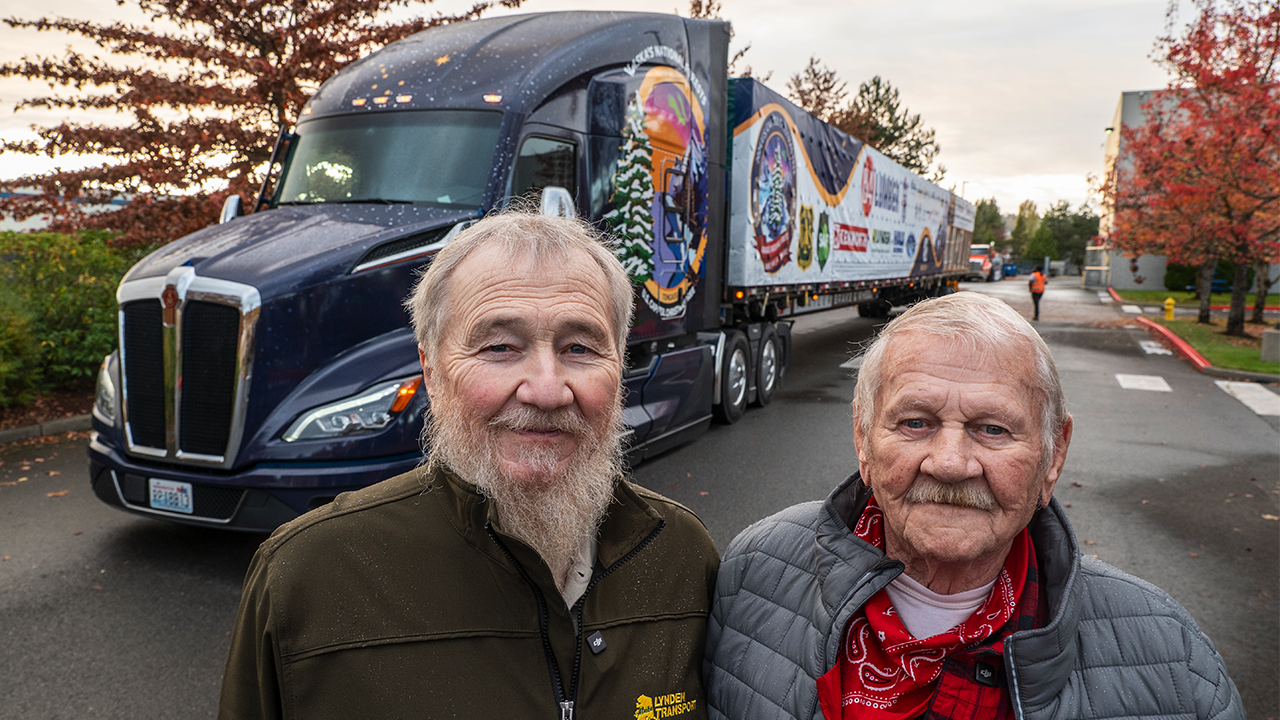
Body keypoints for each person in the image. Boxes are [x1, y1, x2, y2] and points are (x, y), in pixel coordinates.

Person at [219, 212, 719, 719]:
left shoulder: (680, 556)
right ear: (432, 375)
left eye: (580, 348)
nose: (546, 390)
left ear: (619, 370)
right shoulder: (306, 577)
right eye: (500, 347)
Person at [703, 292, 1242, 720]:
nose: (951, 462)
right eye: (916, 422)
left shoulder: (1172, 657)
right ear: (864, 440)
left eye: (993, 428)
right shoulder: (754, 573)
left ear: (1054, 456)